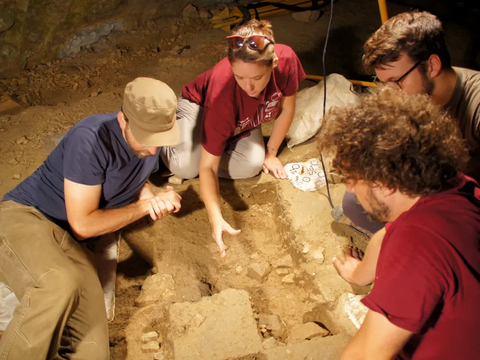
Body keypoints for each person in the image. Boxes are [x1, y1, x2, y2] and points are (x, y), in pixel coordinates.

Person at [0, 77, 182, 360]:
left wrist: (153, 197)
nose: (153, 150)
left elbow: (137, 178)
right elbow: (83, 225)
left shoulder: (150, 143)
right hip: (27, 216)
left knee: (93, 351)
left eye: (160, 141)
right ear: (123, 120)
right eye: (147, 139)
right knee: (59, 284)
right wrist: (143, 209)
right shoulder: (91, 138)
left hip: (72, 244)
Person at [318, 88, 479, 359]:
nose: (349, 186)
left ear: (386, 183)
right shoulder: (455, 185)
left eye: (353, 177)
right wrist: (358, 275)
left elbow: (367, 353)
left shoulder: (415, 247)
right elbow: (387, 234)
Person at [161, 19, 305, 257]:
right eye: (239, 77)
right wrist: (216, 218)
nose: (248, 86)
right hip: (199, 107)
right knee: (185, 165)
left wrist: (271, 153)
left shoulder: (286, 60)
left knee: (252, 165)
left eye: (257, 78)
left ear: (273, 64)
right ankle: (173, 134)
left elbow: (287, 108)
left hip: (243, 120)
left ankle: (217, 142)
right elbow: (207, 167)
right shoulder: (223, 92)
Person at [339, 10, 480, 234]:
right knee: (354, 202)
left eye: (396, 81)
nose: (391, 93)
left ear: (432, 65)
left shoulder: (476, 103)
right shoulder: (408, 96)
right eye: (383, 83)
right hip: (426, 184)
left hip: (461, 201)